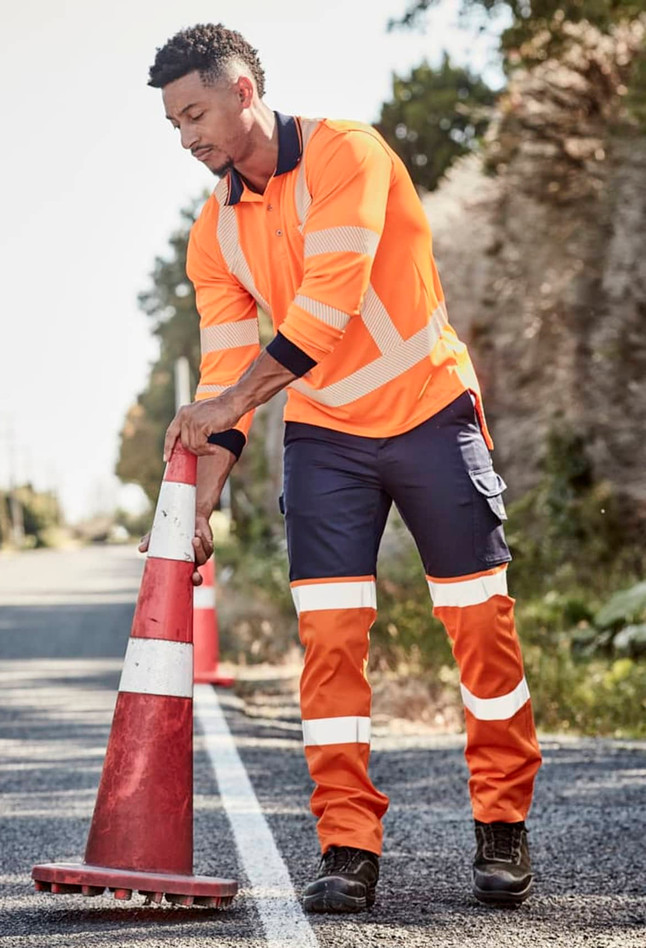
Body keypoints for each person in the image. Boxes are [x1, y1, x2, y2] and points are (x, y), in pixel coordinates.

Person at [142, 23, 542, 914]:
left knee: (479, 624)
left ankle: (503, 824)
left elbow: (323, 313)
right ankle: (347, 844)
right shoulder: (215, 233)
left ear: (243, 89)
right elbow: (225, 371)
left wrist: (226, 409)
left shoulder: (347, 156)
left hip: (430, 411)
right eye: (173, 125)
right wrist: (210, 478)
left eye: (196, 113)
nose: (187, 137)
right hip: (324, 436)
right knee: (328, 640)